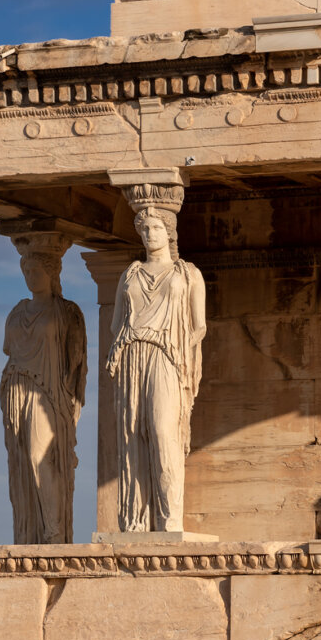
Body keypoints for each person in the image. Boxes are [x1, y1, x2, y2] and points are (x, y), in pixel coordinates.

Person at [107, 208, 205, 532]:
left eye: (156, 227)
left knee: (164, 430)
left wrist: (184, 358)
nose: (150, 233)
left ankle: (169, 518)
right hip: (133, 356)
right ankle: (135, 520)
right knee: (134, 434)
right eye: (144, 228)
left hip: (168, 356)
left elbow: (199, 326)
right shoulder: (130, 274)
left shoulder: (187, 273)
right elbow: (115, 323)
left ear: (169, 232)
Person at [1, 238, 86, 544]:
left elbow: (76, 362)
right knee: (23, 460)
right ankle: (33, 532)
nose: (30, 277)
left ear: (52, 273)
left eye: (36, 271)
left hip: (49, 392)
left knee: (42, 456)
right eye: (26, 271)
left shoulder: (66, 311)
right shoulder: (17, 312)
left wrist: (71, 400)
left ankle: (55, 530)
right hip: (18, 389)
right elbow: (10, 351)